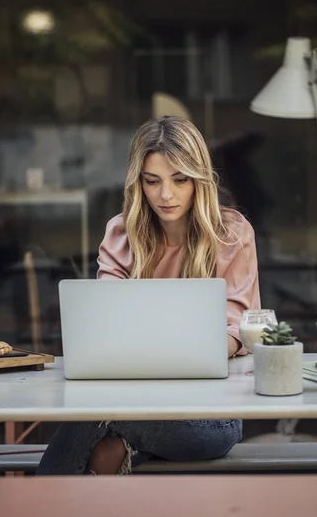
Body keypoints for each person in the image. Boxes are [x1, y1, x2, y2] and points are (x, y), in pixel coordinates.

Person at [37, 115, 260, 476]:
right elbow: (103, 327)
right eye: (152, 181)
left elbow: (238, 331)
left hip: (211, 417)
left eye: (180, 180)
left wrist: (157, 349)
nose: (165, 195)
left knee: (96, 417)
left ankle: (34, 507)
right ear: (138, 182)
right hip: (131, 402)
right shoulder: (122, 233)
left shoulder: (232, 233)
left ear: (198, 180)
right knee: (104, 437)